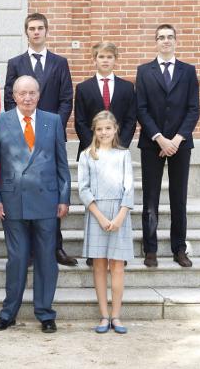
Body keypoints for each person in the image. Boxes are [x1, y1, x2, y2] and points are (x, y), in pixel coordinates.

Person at [0, 75, 70, 334]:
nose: (27, 97)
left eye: (32, 93)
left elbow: (61, 163)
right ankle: (9, 312)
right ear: (13, 95)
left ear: (39, 94)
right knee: (17, 258)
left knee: (46, 258)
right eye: (22, 93)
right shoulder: (0, 121)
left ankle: (45, 313)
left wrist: (64, 197)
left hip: (46, 200)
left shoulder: (53, 121)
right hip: (13, 202)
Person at [3, 13, 75, 266]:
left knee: (52, 189)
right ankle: (31, 250)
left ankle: (56, 247)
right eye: (31, 28)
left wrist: (54, 129)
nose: (36, 32)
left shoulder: (60, 62)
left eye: (40, 28)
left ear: (47, 31)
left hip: (51, 138)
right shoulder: (15, 63)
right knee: (28, 191)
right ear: (26, 32)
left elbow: (67, 98)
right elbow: (10, 101)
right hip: (23, 139)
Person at [136, 24, 200, 268]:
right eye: (161, 37)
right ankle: (150, 249)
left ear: (176, 41)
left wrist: (176, 139)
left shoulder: (188, 71)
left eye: (170, 37)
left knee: (178, 198)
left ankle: (179, 248)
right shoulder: (144, 71)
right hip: (152, 143)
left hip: (180, 144)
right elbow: (141, 108)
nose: (165, 41)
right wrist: (159, 137)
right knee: (150, 199)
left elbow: (193, 109)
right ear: (155, 41)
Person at [74, 41, 137, 266]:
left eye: (109, 56)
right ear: (95, 59)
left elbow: (130, 119)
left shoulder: (127, 87)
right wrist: (94, 146)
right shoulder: (83, 88)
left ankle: (118, 252)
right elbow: (80, 120)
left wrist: (120, 146)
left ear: (115, 59)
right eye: (101, 56)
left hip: (117, 151)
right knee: (95, 200)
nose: (105, 60)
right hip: (94, 154)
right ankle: (95, 252)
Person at [78, 111, 134, 334]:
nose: (104, 132)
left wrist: (120, 216)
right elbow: (83, 188)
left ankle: (116, 316)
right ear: (94, 130)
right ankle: (103, 315)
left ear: (115, 129)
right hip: (96, 213)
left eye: (108, 128)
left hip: (119, 213)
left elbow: (129, 187)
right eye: (99, 129)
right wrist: (100, 216)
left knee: (117, 266)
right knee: (99, 265)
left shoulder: (123, 155)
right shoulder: (87, 155)